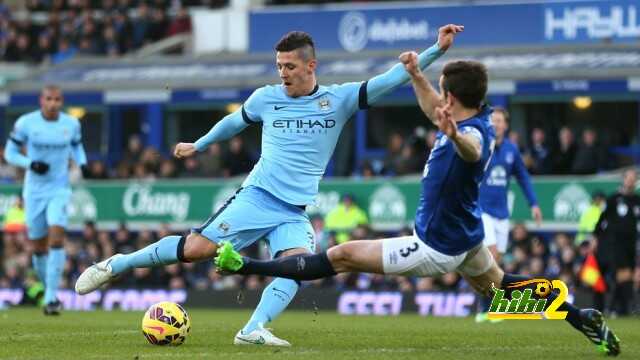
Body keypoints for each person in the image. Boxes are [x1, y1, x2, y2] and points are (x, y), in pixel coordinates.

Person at [75, 25, 464, 346]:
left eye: (290, 66)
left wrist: (436, 49)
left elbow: (393, 78)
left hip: (294, 210)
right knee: (196, 250)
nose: (282, 72)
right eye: (279, 65)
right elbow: (235, 123)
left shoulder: (339, 99)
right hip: (259, 195)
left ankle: (251, 330)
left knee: (296, 268)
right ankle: (116, 264)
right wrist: (199, 144)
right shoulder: (266, 98)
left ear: (311, 65)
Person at [215, 52, 620, 356]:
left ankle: (247, 265)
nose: (436, 93)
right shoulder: (466, 114)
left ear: (452, 95)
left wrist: (454, 137)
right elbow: (433, 108)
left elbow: (472, 151)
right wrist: (415, 75)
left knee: (339, 256)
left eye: (440, 86)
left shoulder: (473, 133)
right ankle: (579, 316)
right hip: (468, 236)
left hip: (436, 247)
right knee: (500, 292)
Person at [4, 85, 88, 315]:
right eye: (49, 99)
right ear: (42, 100)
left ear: (61, 101)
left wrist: (82, 164)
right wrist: (30, 164)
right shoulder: (26, 123)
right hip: (34, 191)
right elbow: (10, 153)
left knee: (57, 236)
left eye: (57, 99)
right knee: (38, 247)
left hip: (59, 189)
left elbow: (77, 147)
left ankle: (51, 297)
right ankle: (49, 290)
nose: (53, 103)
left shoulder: (71, 124)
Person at [475, 106, 542, 322]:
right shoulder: (481, 145)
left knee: (496, 262)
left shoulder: (512, 150)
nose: (496, 124)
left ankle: (489, 306)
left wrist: (534, 204)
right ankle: (488, 308)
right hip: (481, 209)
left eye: (500, 121)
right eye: (493, 120)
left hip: (502, 213)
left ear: (506, 125)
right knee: (492, 254)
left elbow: (523, 177)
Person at [592, 169, 639, 316]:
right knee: (621, 274)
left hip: (631, 243)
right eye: (628, 178)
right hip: (615, 244)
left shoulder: (637, 200)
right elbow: (602, 219)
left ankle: (618, 308)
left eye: (633, 178)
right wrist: (595, 238)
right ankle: (620, 307)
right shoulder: (613, 199)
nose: (631, 181)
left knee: (629, 275)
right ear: (623, 179)